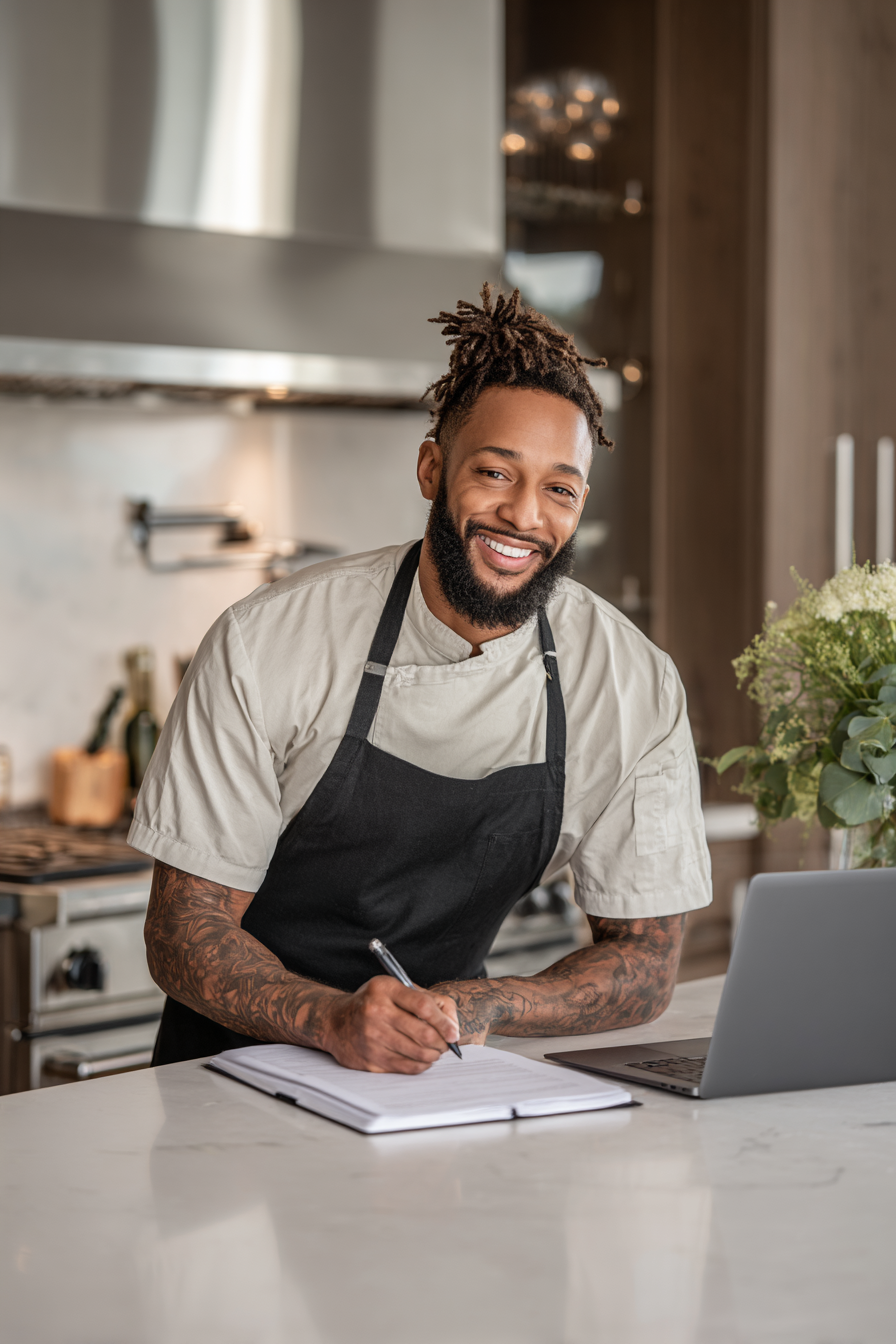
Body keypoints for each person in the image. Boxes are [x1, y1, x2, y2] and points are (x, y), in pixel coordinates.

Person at [134, 284, 711, 1074]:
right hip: (228, 1082)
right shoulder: (268, 641)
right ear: (433, 468)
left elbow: (646, 963)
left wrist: (484, 1004)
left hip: (434, 1080)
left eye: (559, 489)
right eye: (495, 473)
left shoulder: (628, 682)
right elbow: (181, 932)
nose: (523, 515)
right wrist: (331, 1019)